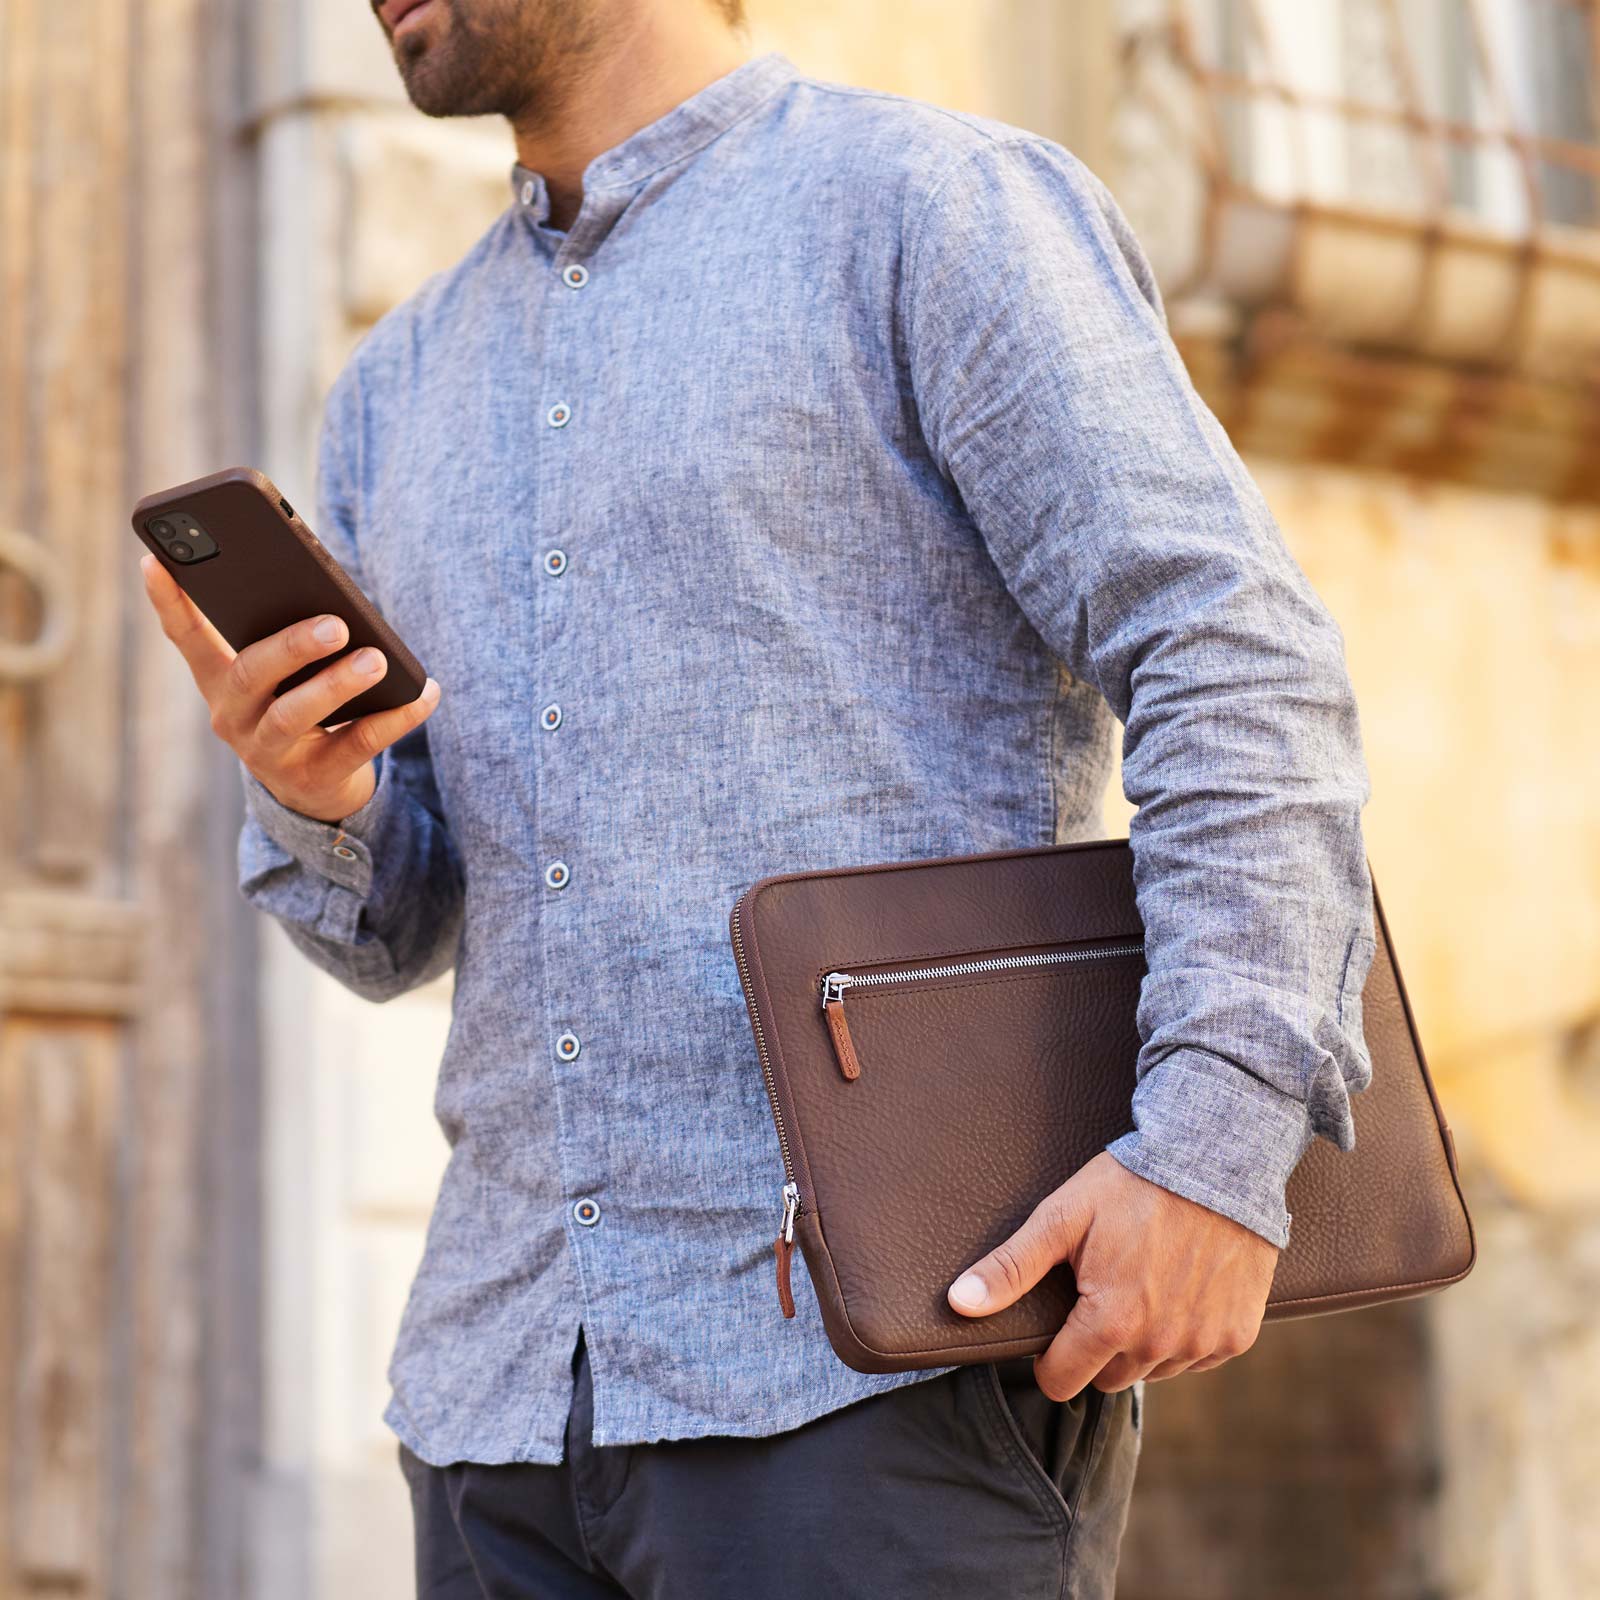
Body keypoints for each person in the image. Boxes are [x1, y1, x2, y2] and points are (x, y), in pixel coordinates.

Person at [138, 0, 1378, 1593]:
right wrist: (319, 795)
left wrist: (1214, 1148)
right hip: (501, 1406)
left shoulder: (931, 214)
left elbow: (1237, 656)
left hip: (879, 1378)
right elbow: (401, 930)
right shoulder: (395, 384)